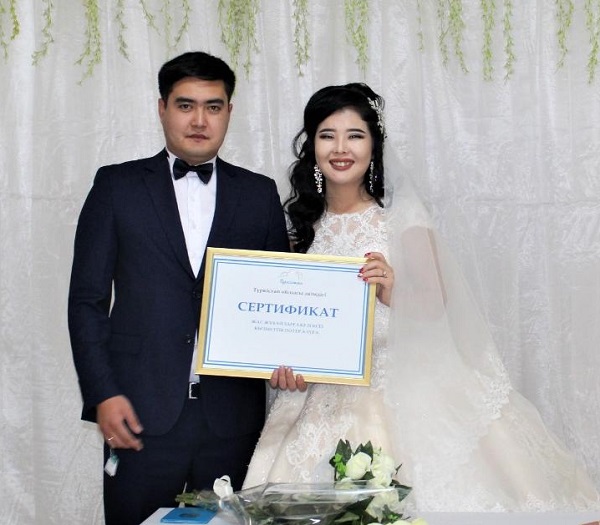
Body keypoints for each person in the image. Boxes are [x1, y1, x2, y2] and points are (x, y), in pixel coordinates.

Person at [243, 83, 600, 511]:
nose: (340, 148)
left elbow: (434, 306)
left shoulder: (400, 219)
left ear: (374, 146)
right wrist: (286, 365)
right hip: (318, 398)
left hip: (397, 387)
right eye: (327, 135)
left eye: (355, 135)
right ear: (312, 146)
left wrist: (392, 289)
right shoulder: (302, 229)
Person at [67, 51, 292, 525]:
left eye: (213, 106)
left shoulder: (259, 194)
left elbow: (279, 299)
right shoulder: (116, 186)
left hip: (232, 420)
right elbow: (87, 302)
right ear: (162, 108)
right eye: (185, 105)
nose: (199, 120)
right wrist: (103, 393)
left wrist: (291, 359)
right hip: (138, 413)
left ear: (229, 111)